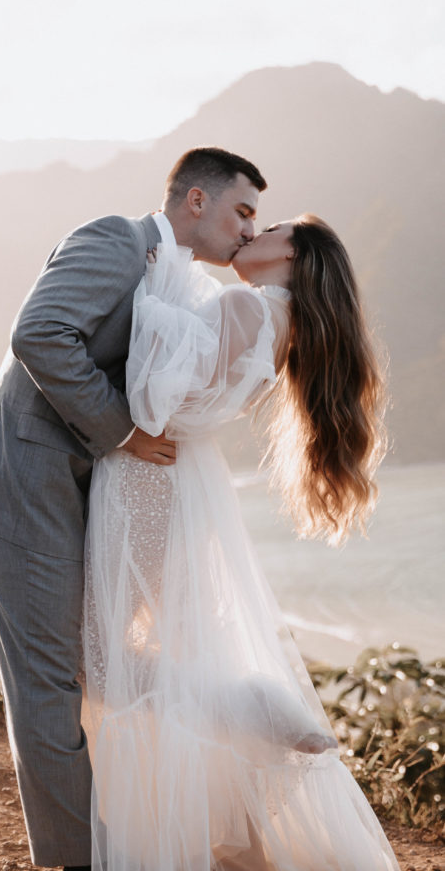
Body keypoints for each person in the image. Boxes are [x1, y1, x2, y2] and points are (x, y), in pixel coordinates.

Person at [0, 147, 267, 870]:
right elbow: (38, 334)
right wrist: (124, 430)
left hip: (81, 485)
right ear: (194, 202)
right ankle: (79, 859)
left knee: (104, 661)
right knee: (50, 680)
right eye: (242, 211)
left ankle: (200, 790)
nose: (249, 230)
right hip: (25, 476)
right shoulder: (115, 238)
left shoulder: (184, 285)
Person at [82, 215, 398, 870]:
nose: (254, 230)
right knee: (184, 645)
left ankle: (248, 705)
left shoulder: (244, 308)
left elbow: (152, 391)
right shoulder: (279, 325)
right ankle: (244, 846)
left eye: (272, 225)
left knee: (99, 660)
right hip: (182, 488)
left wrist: (156, 277)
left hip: (147, 481)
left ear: (296, 252)